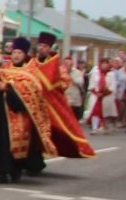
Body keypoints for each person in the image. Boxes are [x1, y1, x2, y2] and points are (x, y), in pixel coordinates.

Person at [0, 37, 53, 184]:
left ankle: (15, 170)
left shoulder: (30, 72)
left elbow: (31, 92)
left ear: (25, 54)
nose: (16, 55)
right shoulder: (3, 68)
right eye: (14, 52)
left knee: (16, 144)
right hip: (2, 114)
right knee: (0, 143)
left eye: (19, 52)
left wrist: (7, 87)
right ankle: (0, 172)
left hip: (19, 114)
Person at [26, 32, 96, 160]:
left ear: (49, 48)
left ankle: (38, 158)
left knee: (48, 132)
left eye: (45, 46)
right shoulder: (30, 63)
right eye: (40, 45)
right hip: (30, 104)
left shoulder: (55, 65)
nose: (42, 48)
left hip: (47, 106)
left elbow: (63, 83)